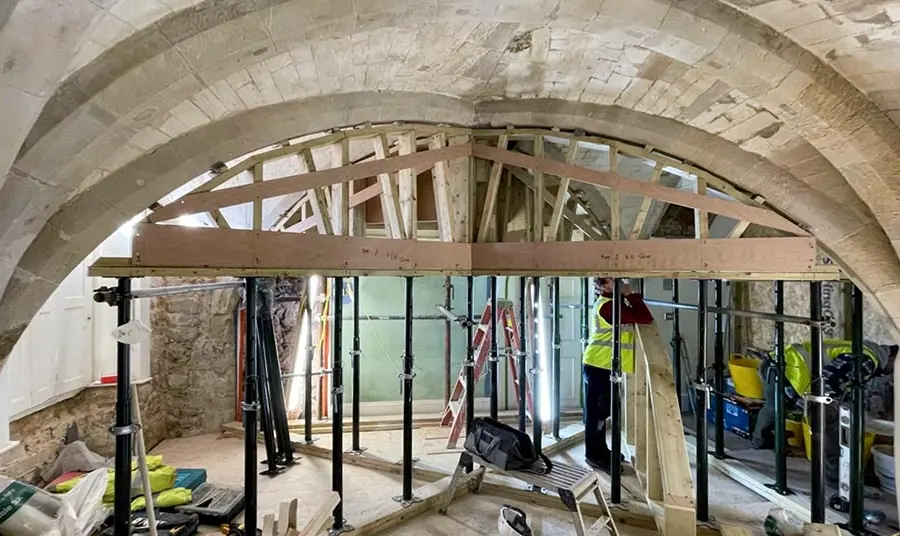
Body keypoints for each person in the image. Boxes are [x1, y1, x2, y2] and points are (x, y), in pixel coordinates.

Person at [582, 277, 654, 472]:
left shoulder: (614, 303)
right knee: (596, 415)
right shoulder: (608, 307)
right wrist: (630, 293)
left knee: (604, 412)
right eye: (614, 281)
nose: (620, 283)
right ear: (604, 286)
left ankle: (602, 450)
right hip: (599, 365)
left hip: (605, 366)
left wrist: (626, 295)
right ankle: (593, 456)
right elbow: (644, 317)